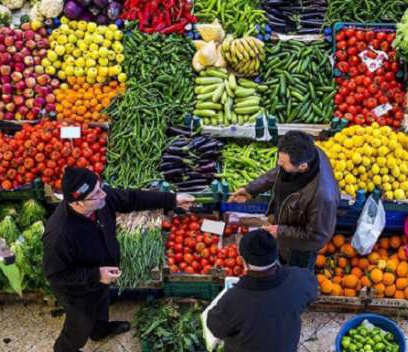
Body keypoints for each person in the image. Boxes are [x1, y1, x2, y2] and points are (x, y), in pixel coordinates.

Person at [43, 167, 194, 352]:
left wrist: (172, 199)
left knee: (101, 305)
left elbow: (132, 198)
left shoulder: (100, 200)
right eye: (95, 194)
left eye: (100, 187)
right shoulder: (59, 235)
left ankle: (100, 331)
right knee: (79, 325)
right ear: (78, 203)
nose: (103, 195)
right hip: (77, 291)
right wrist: (96, 274)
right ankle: (65, 349)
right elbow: (55, 275)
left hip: (101, 275)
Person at [229, 131, 340, 270]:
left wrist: (281, 232)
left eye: (283, 162)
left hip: (301, 247)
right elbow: (279, 171)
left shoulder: (323, 198)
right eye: (279, 159)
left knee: (296, 273)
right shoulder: (309, 152)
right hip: (287, 227)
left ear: (303, 167)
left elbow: (318, 236)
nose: (278, 164)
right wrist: (251, 189)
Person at [207, 229, 318, 352]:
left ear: (243, 261)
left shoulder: (233, 299)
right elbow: (312, 293)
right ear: (276, 254)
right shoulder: (300, 279)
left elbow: (215, 327)